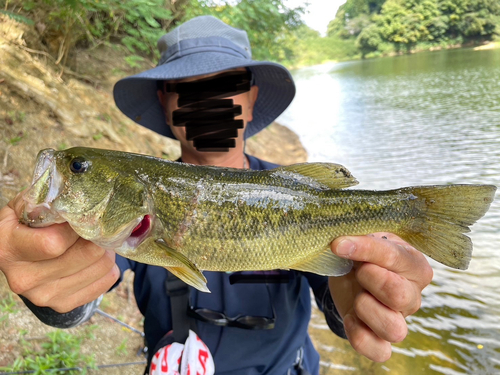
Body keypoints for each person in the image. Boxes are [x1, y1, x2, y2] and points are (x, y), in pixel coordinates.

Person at [0, 16, 433, 375]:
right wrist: (50, 284)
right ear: (164, 100)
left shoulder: (298, 190)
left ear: (251, 94)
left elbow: (336, 290)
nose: (210, 101)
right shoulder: (129, 209)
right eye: (188, 89)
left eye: (227, 83)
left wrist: (360, 298)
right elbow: (80, 300)